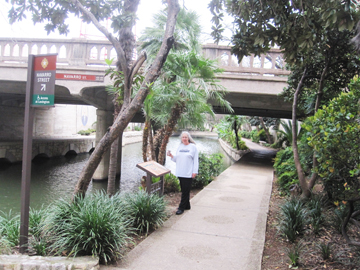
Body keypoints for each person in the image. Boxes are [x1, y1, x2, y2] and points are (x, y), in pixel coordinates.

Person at [167, 131, 199, 215]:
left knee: (185, 191)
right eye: (183, 137)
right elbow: (177, 159)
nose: (184, 139)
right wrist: (171, 156)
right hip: (180, 172)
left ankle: (181, 207)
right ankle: (187, 205)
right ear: (181, 138)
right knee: (184, 190)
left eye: (186, 137)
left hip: (188, 173)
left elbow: (196, 161)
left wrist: (195, 171)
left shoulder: (193, 147)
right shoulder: (180, 146)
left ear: (188, 138)